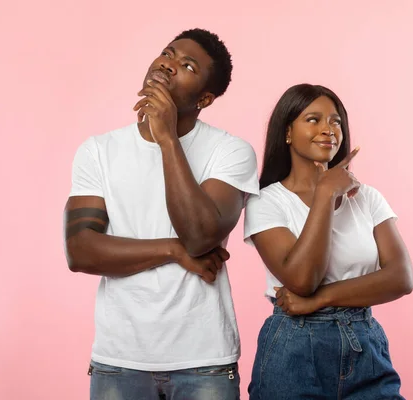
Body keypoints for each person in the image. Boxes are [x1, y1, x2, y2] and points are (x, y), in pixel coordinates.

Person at [64, 28, 259, 400]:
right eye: (168, 53)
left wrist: (167, 138)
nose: (168, 65)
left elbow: (200, 236)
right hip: (118, 359)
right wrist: (173, 250)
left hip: (204, 360)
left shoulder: (231, 152)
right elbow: (80, 251)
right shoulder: (98, 151)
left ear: (205, 98)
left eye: (186, 65)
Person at [243, 84, 413, 399]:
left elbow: (401, 278)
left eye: (336, 121)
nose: (328, 129)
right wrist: (325, 192)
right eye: (313, 119)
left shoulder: (368, 198)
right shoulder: (266, 202)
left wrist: (319, 300)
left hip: (363, 342)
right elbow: (301, 279)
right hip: (294, 346)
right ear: (288, 133)